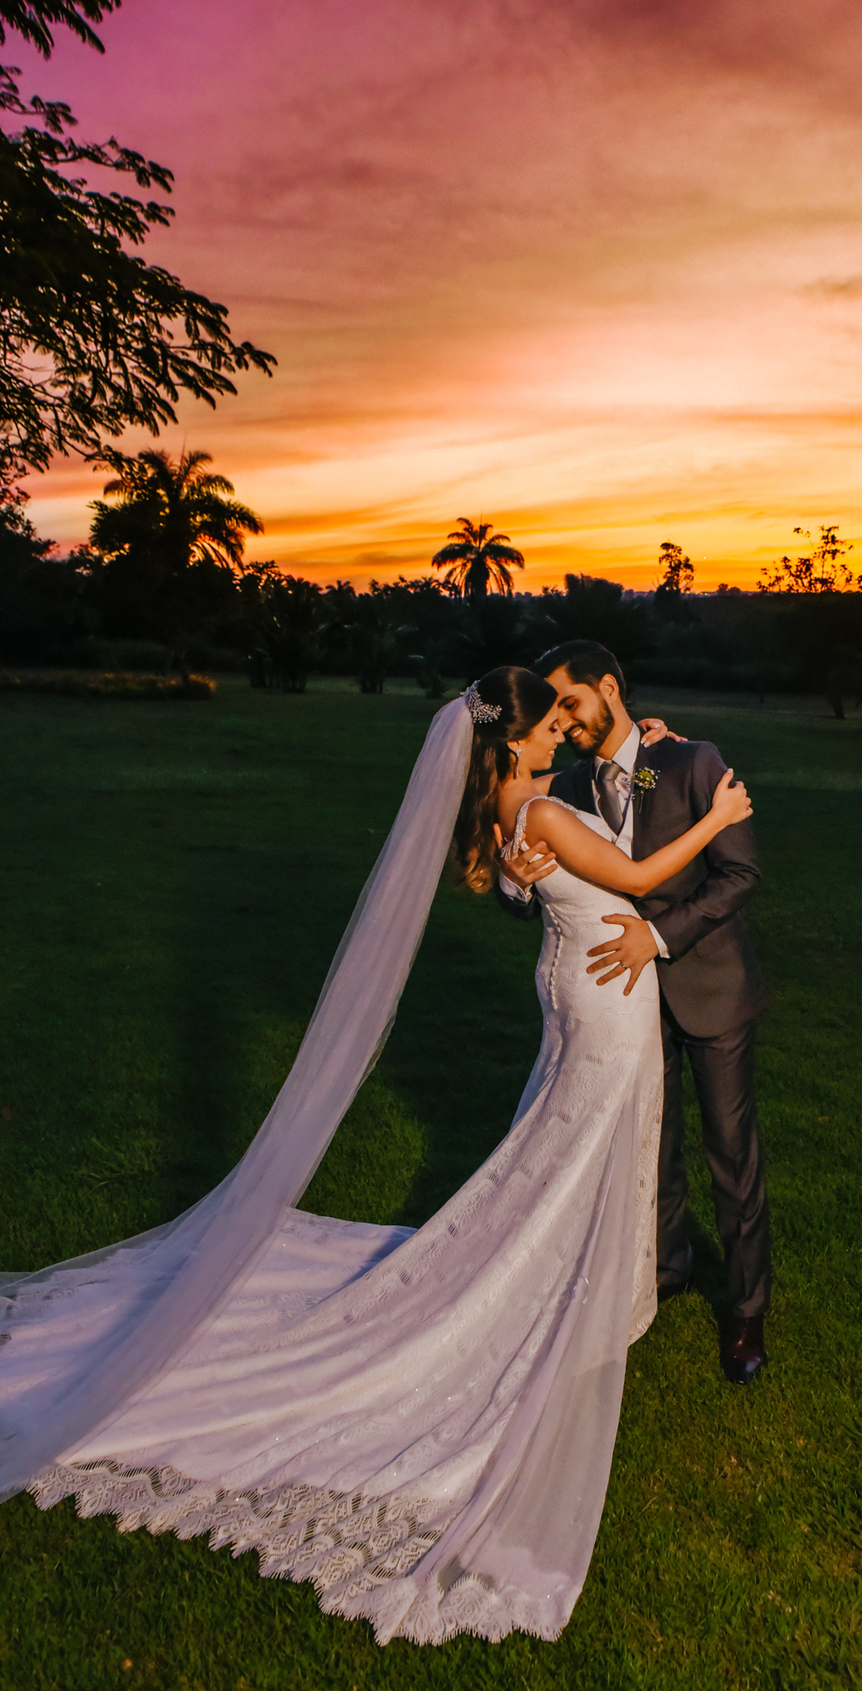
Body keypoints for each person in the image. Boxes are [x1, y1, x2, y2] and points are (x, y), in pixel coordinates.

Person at [0, 668, 751, 1646]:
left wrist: (645, 755)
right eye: (552, 719)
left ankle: (581, 1282)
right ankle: (559, 1294)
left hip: (573, 989)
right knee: (574, 1155)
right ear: (515, 738)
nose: (567, 726)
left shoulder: (514, 813)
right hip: (606, 1006)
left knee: (556, 1153)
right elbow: (643, 876)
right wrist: (717, 810)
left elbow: (601, 825)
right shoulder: (551, 816)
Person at [497, 640, 771, 1384]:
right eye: (553, 712)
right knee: (654, 1139)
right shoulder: (571, 782)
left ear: (608, 689)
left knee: (731, 1156)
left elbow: (741, 870)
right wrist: (514, 886)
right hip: (623, 998)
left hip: (707, 984)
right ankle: (666, 1263)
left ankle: (745, 1313)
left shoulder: (685, 759)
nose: (565, 721)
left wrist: (657, 936)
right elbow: (530, 855)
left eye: (571, 703)